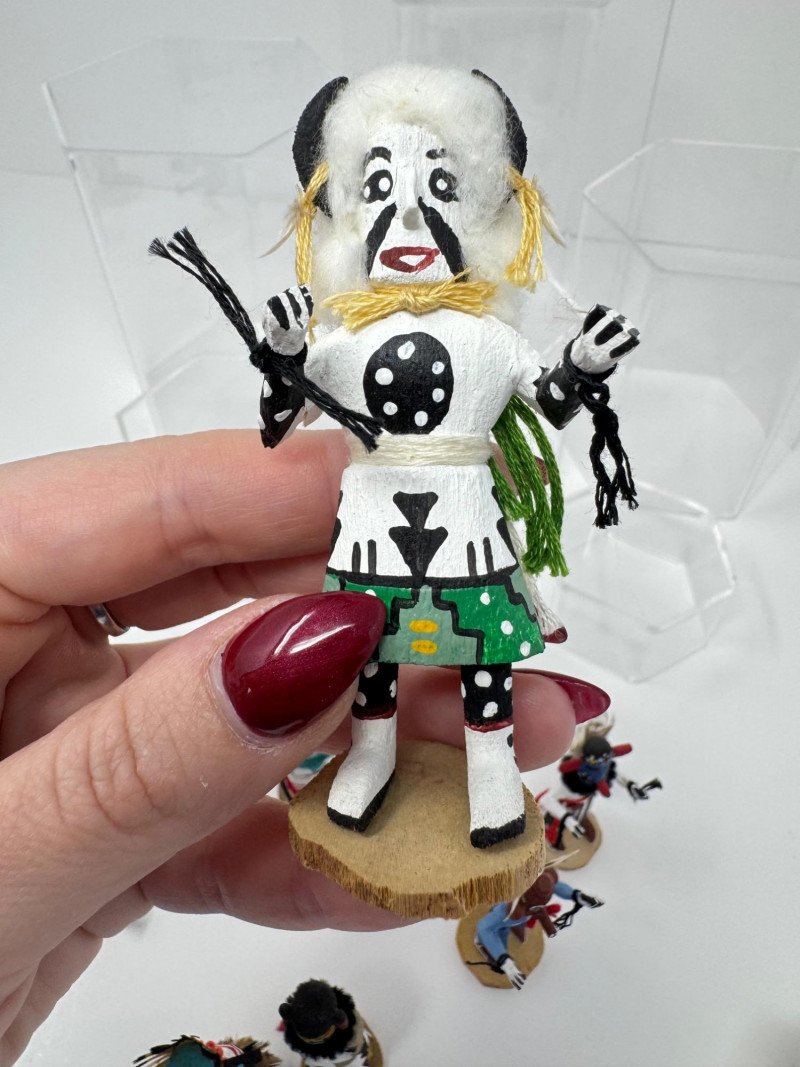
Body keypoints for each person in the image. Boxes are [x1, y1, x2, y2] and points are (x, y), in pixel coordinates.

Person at [0, 428, 609, 1062]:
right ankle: (375, 761)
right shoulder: (365, 453)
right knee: (370, 660)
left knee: (479, 672)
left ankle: (488, 770)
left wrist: (574, 384)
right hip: (379, 557)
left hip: (471, 561)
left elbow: (540, 406)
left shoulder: (477, 442)